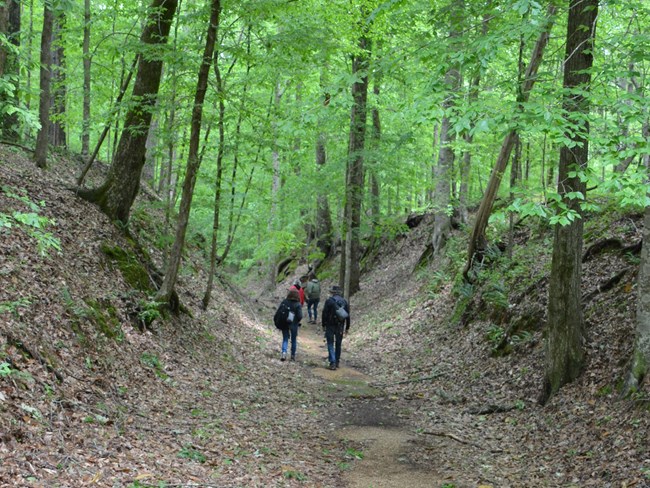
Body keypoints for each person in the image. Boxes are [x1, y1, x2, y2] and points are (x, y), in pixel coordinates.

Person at [321, 285, 350, 371]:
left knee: (330, 343)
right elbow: (347, 315)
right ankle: (337, 361)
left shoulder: (329, 301)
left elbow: (324, 313)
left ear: (332, 293)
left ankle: (332, 362)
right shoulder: (344, 301)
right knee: (338, 344)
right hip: (340, 326)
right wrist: (347, 327)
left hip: (330, 325)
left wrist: (323, 324)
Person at [279, 288, 302, 361]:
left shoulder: (284, 302)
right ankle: (292, 356)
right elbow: (300, 316)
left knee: (285, 339)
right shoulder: (298, 304)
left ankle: (284, 353)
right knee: (293, 340)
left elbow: (279, 312)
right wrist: (297, 321)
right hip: (294, 324)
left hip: (285, 323)